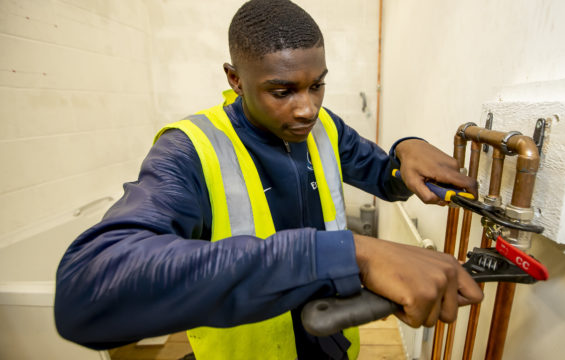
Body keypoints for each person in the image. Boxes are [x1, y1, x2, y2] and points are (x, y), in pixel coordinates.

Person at [54, 0, 483, 359]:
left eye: (317, 85)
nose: (306, 109)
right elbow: (88, 289)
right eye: (283, 91)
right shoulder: (189, 148)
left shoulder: (324, 128)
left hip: (330, 337)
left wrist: (406, 149)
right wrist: (352, 255)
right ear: (236, 79)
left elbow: (384, 178)